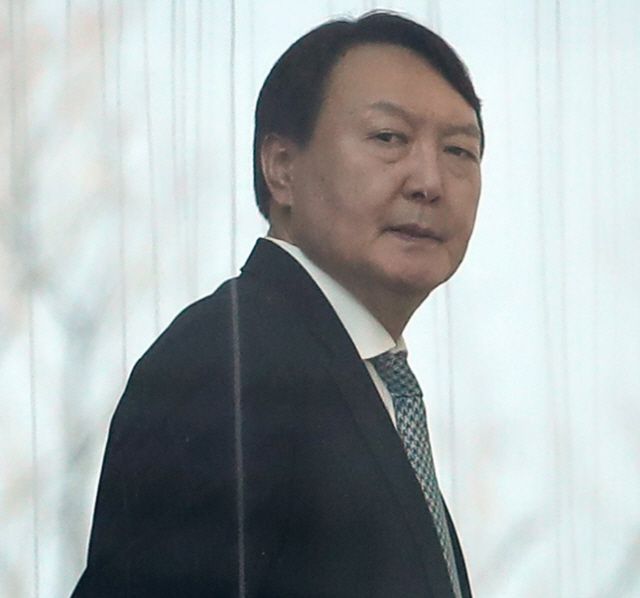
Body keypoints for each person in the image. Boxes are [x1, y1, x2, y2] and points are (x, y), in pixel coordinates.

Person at [72, 11, 483, 598]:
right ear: (282, 169)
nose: (430, 182)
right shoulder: (228, 362)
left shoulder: (357, 376)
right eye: (389, 138)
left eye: (459, 150)